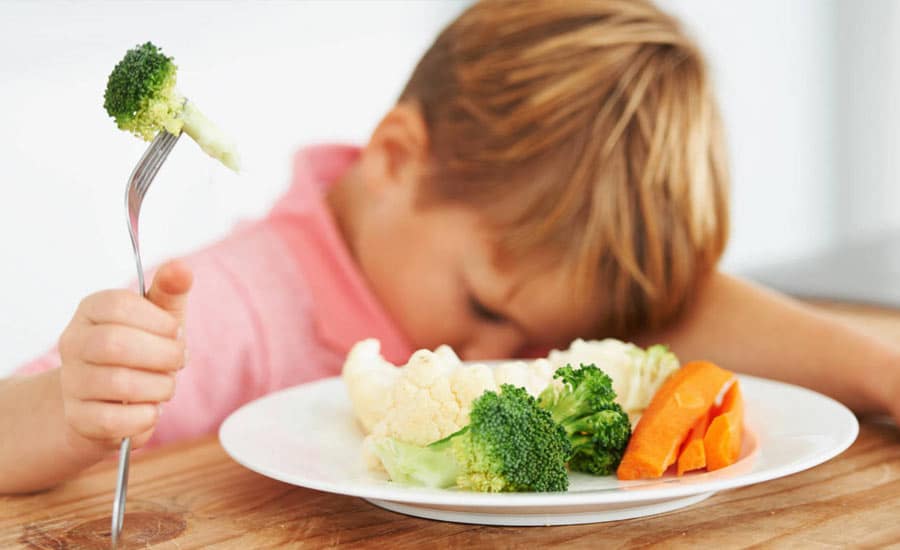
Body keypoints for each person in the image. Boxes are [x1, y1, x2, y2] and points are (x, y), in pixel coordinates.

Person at [1, 0, 897, 494]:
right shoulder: (239, 308)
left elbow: (684, 309)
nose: (506, 359)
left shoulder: (508, 277)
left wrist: (875, 371)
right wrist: (77, 405)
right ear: (395, 159)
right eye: (487, 309)